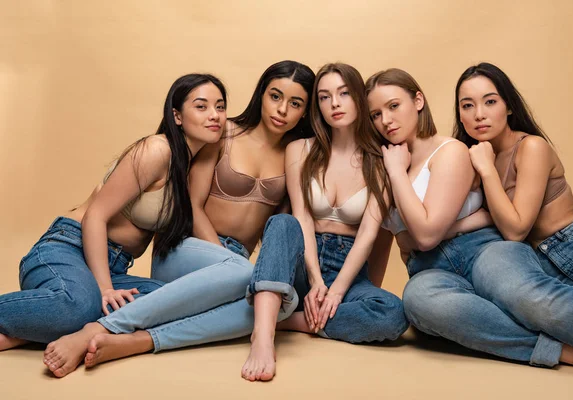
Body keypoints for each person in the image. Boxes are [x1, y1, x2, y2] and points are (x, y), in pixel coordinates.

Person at [41, 61, 316, 381]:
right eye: (275, 96)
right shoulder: (223, 132)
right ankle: (100, 327)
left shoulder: (297, 152)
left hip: (238, 260)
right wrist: (225, 259)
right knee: (246, 279)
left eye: (295, 103)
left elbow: (284, 221)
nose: (282, 109)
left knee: (280, 304)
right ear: (261, 95)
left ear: (305, 112)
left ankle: (140, 341)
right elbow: (193, 205)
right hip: (190, 247)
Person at [0, 73, 228, 377]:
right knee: (80, 305)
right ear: (177, 116)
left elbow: (196, 218)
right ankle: (59, 317)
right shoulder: (156, 150)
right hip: (67, 249)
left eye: (220, 107)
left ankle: (22, 334)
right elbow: (95, 216)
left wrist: (231, 269)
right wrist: (105, 290)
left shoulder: (187, 167)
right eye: (201, 106)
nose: (214, 115)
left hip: (112, 267)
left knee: (168, 301)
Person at [243, 63, 407, 382]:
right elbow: (302, 216)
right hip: (304, 262)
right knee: (283, 223)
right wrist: (317, 281)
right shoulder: (300, 149)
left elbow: (368, 235)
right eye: (324, 96)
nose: (335, 103)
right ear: (317, 105)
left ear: (359, 98)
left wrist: (335, 292)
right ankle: (262, 340)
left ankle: (286, 320)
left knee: (393, 314)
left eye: (344, 94)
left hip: (350, 267)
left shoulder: (381, 160)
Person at [453, 62, 573, 366]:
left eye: (490, 101)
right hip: (538, 265)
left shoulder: (532, 147)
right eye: (467, 105)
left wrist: (486, 169)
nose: (478, 114)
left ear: (508, 106)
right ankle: (572, 354)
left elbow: (516, 229)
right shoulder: (467, 159)